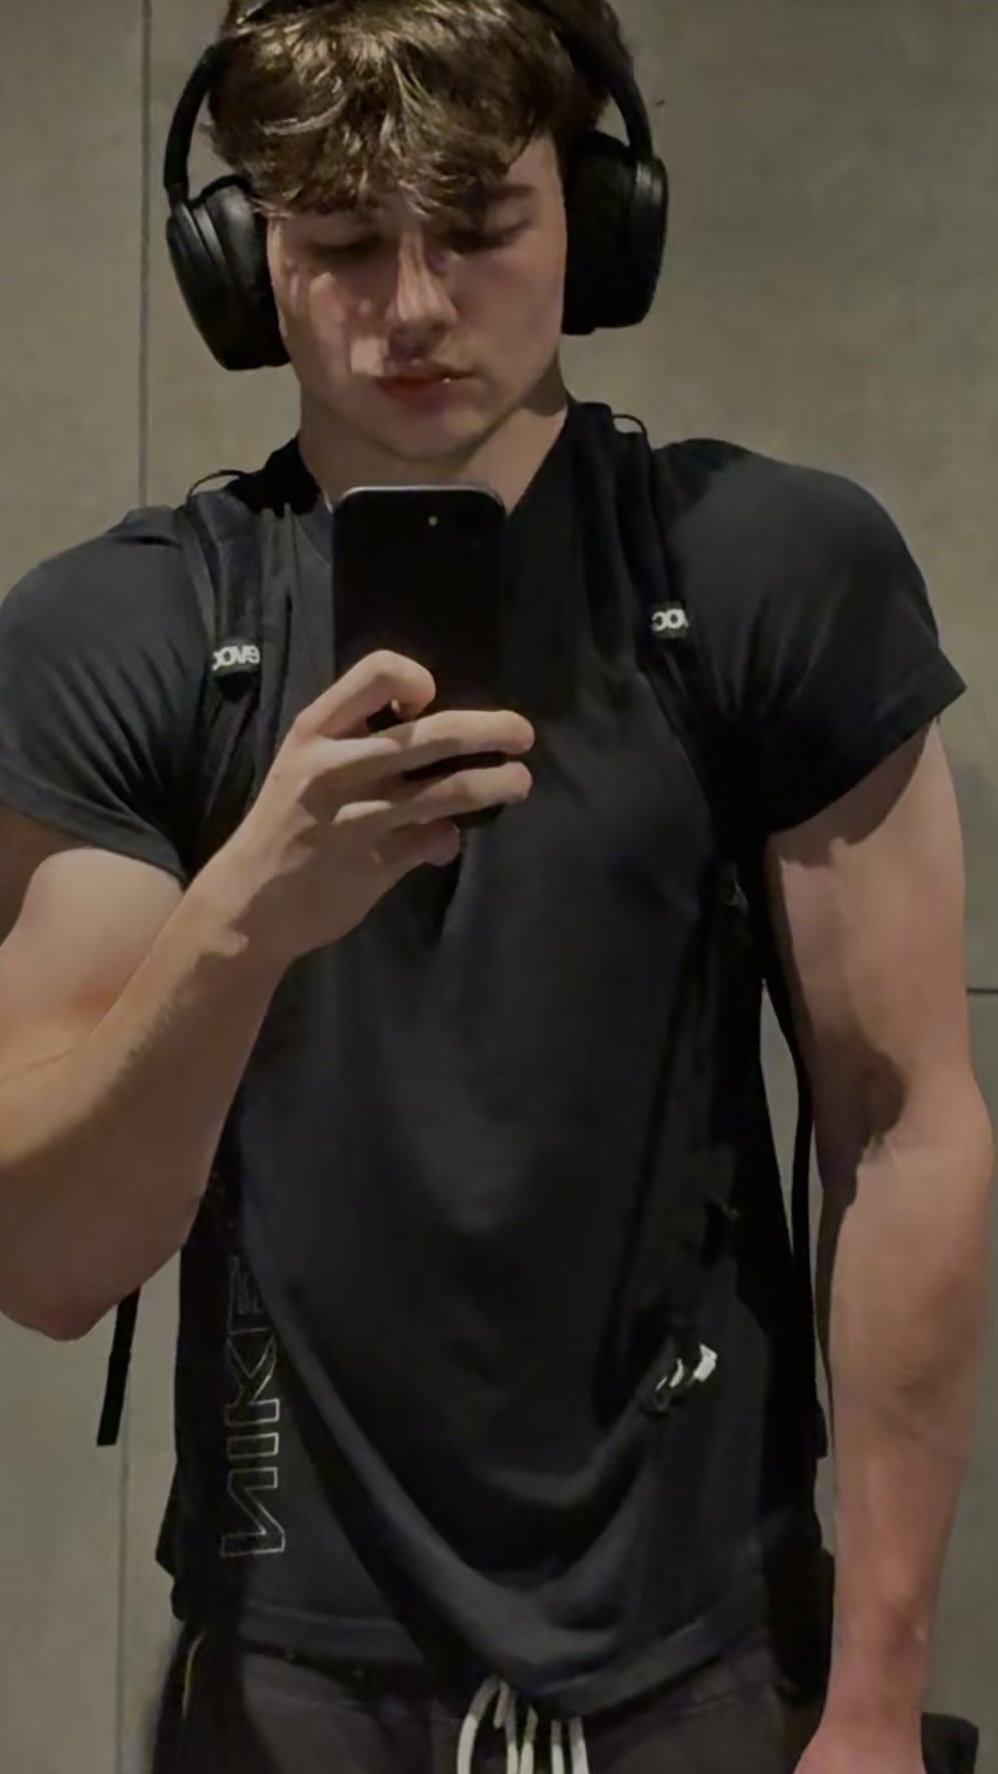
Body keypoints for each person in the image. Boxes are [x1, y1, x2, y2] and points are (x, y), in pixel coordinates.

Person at [0, 0, 990, 1770]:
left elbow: (903, 1126)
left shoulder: (767, 574)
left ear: (597, 223)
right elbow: (54, 1256)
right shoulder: (125, 633)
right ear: (240, 258)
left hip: (703, 1634)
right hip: (293, 1654)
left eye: (476, 228)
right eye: (340, 243)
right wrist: (247, 918)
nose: (411, 308)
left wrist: (871, 1702)